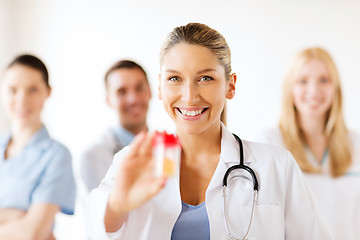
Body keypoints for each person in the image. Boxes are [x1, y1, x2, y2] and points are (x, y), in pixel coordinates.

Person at [85, 23, 334, 240]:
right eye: (174, 79)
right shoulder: (132, 162)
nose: (189, 96)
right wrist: (118, 205)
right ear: (159, 87)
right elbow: (96, 231)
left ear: (230, 85)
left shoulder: (276, 166)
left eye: (205, 78)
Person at [258, 47, 360, 240]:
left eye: (324, 80)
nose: (314, 91)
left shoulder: (357, 144)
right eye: (303, 81)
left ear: (335, 88)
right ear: (290, 89)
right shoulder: (269, 143)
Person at [0, 54, 76, 239]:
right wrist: (18, 217)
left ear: (48, 92)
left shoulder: (57, 155)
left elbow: (33, 233)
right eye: (13, 90)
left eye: (32, 90)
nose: (22, 100)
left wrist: (26, 223)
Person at [79, 60, 152, 200]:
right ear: (109, 100)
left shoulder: (169, 148)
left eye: (139, 88)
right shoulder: (93, 156)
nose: (133, 99)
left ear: (150, 92)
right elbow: (100, 216)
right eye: (122, 92)